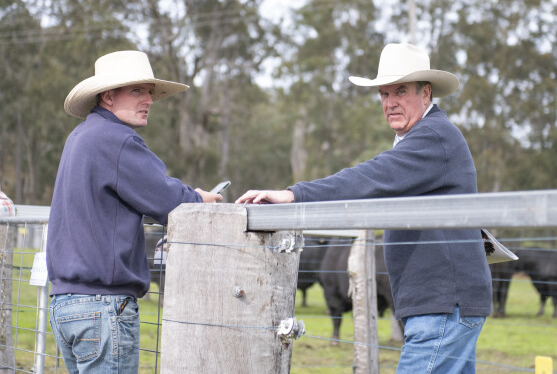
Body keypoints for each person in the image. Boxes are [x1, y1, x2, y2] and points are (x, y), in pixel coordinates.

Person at [236, 43, 492, 373]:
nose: (390, 102)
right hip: (441, 303)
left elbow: (370, 178)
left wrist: (294, 194)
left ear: (425, 93)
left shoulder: (434, 137)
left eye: (401, 91)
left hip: (443, 305)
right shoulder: (424, 136)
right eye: (384, 94)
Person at [47, 50, 222, 373]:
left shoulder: (80, 136)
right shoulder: (116, 139)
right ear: (108, 96)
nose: (149, 100)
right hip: (102, 306)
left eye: (150, 92)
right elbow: (169, 201)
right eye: (137, 91)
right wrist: (199, 200)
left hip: (66, 304)